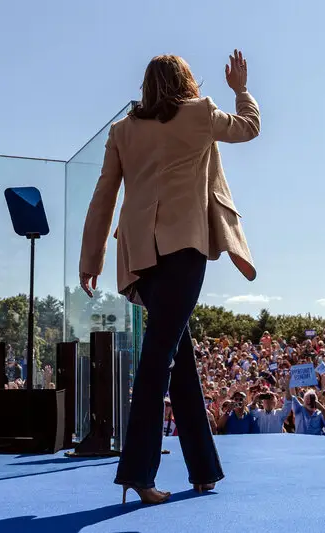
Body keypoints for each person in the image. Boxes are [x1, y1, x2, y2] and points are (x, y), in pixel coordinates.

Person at [79, 51, 260, 505]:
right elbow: (248, 128)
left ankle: (204, 470)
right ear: (186, 82)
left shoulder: (123, 131)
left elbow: (104, 195)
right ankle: (138, 472)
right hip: (184, 251)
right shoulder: (199, 114)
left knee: (178, 358)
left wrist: (91, 259)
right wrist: (241, 89)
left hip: (140, 255)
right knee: (160, 357)